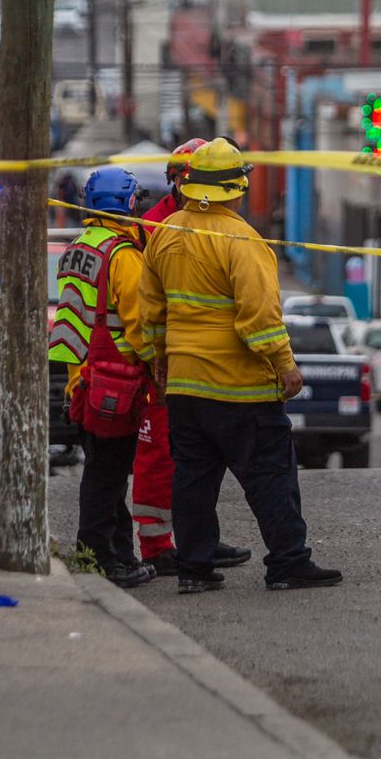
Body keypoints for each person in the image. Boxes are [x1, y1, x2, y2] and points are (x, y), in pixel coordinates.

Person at [140, 138, 342, 594]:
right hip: (239, 387)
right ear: (237, 186)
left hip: (185, 388)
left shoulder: (166, 233)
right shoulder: (241, 239)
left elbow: (150, 311)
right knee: (270, 476)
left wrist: (161, 361)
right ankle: (288, 562)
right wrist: (285, 365)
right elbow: (259, 317)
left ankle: (193, 568)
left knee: (192, 480)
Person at [135, 137, 252, 577]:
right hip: (162, 364)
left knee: (197, 460)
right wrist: (154, 361)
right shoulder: (154, 228)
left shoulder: (204, 222)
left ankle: (194, 541)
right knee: (159, 455)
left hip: (192, 364)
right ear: (177, 182)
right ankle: (157, 545)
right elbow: (146, 305)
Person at [49, 168, 160, 588]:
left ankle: (120, 555)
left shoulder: (78, 246)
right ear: (129, 203)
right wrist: (157, 366)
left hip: (81, 378)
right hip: (116, 381)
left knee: (106, 470)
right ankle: (98, 557)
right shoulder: (123, 255)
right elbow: (139, 324)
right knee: (107, 475)